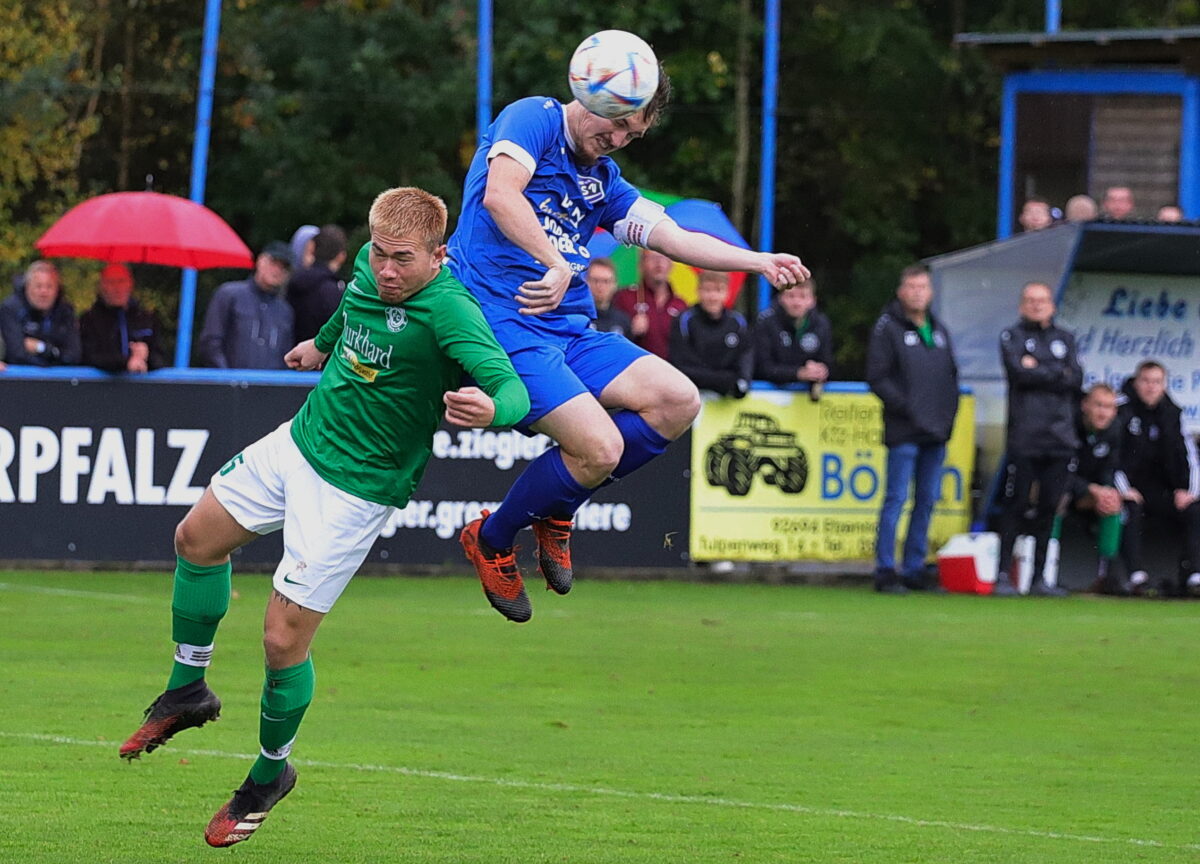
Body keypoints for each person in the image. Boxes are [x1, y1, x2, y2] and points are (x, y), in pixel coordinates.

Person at [118, 187, 529, 847]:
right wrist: (320, 344)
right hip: (302, 442)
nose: (387, 270)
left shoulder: (451, 311)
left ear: (437, 255)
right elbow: (354, 310)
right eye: (382, 255)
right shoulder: (370, 264)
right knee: (195, 538)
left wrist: (492, 409)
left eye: (403, 260)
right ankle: (187, 690)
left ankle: (268, 775)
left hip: (355, 490)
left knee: (282, 640)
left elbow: (511, 387)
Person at [446, 69, 809, 622]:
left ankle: (556, 508)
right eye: (616, 125)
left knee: (678, 401)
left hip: (570, 332)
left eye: (632, 135)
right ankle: (493, 539)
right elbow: (499, 196)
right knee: (601, 450)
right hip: (506, 326)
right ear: (590, 99)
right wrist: (553, 263)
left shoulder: (606, 181)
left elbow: (678, 238)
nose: (618, 140)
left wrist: (759, 261)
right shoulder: (534, 119)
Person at [865, 264, 959, 593]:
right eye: (912, 287)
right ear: (901, 291)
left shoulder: (939, 329)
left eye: (923, 287)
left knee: (927, 500)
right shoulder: (887, 328)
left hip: (936, 431)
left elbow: (950, 377)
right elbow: (878, 377)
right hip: (904, 429)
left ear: (931, 292)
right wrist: (908, 409)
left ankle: (915, 568)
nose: (918, 292)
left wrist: (946, 418)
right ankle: (886, 570)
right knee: (896, 499)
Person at [995, 281, 1083, 597]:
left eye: (1042, 300)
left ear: (1052, 305)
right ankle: (1003, 575)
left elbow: (1075, 378)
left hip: (1060, 438)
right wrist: (1054, 372)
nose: (1036, 306)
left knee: (1049, 508)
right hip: (1025, 436)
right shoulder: (1012, 336)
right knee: (1015, 505)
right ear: (1021, 305)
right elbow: (1019, 373)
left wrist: (1041, 369)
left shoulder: (1066, 338)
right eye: (1030, 300)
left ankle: (1039, 579)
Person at [1116, 360, 1200, 596]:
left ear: (1164, 385)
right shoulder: (1122, 410)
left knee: (1195, 510)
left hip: (1165, 492)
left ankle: (1194, 576)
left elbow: (1191, 457)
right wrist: (1124, 488)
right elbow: (1112, 458)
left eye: (1156, 382)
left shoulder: (1173, 413)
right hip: (1131, 489)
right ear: (1136, 382)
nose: (1151, 387)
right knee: (1128, 508)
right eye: (1146, 381)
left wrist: (1188, 491)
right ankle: (1136, 577)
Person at [1064, 384, 1134, 595]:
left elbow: (1110, 468)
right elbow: (1059, 472)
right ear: (1085, 405)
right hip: (1060, 489)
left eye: (1109, 407)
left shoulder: (1114, 430)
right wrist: (1090, 489)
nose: (1103, 412)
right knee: (1056, 501)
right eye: (1099, 405)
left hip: (1088, 494)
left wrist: (1105, 492)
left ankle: (1107, 577)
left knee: (1113, 504)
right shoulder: (1068, 426)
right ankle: (1044, 573)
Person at [198, 242, 295, 369]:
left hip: (268, 385)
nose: (277, 270)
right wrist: (226, 378)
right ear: (260, 261)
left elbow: (285, 355)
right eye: (273, 263)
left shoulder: (285, 311)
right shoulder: (229, 295)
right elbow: (211, 342)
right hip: (228, 384)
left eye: (283, 267)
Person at [668, 270, 752, 398]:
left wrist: (741, 382)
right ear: (698, 291)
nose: (713, 297)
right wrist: (725, 381)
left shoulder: (738, 322)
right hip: (692, 397)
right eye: (707, 290)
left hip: (729, 404)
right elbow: (682, 365)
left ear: (727, 293)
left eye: (718, 290)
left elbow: (745, 359)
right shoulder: (684, 320)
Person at [79, 263, 166, 373]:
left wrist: (146, 356)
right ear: (101, 287)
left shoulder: (147, 319)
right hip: (101, 388)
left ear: (131, 284)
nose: (117, 288)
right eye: (111, 283)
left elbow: (161, 361)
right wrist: (125, 362)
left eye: (121, 281)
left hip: (142, 388)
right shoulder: (89, 320)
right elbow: (89, 357)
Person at [753, 277, 833, 393]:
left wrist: (821, 371)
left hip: (806, 402)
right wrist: (799, 373)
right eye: (791, 296)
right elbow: (762, 368)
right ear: (781, 298)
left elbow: (829, 363)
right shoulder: (766, 323)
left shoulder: (821, 324)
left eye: (802, 296)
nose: (797, 302)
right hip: (768, 397)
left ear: (813, 301)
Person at [611, 248, 689, 359]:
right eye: (653, 258)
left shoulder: (681, 305)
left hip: (670, 371)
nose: (659, 263)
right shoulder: (625, 297)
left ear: (671, 265)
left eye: (663, 258)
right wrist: (631, 331)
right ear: (641, 265)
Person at [0, 260, 81, 366]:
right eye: (38, 286)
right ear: (27, 287)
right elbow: (16, 354)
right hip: (21, 379)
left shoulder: (65, 311)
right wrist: (55, 357)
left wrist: (41, 348)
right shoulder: (10, 309)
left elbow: (74, 356)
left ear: (57, 289)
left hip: (60, 379)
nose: (44, 292)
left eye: (49, 287)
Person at [287, 224, 347, 344]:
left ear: (312, 248)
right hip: (321, 359)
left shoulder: (291, 283)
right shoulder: (336, 293)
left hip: (290, 355)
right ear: (341, 257)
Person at [586, 257, 632, 335]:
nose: (600, 286)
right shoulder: (577, 318)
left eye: (606, 281)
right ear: (586, 282)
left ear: (615, 285)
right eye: (595, 280)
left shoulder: (623, 321)